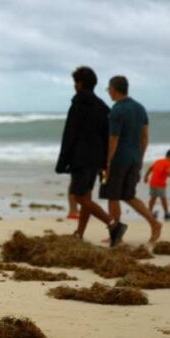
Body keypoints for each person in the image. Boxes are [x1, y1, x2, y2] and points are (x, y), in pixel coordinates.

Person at [56, 66, 127, 246]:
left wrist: (62, 163)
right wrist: (105, 163)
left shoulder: (78, 105)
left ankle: (113, 225)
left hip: (80, 159)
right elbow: (106, 137)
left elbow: (69, 135)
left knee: (79, 197)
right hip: (97, 161)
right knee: (86, 197)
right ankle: (79, 233)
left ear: (79, 84)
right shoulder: (103, 107)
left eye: (75, 82)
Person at [101, 76, 162, 242]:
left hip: (117, 160)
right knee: (128, 196)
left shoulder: (117, 110)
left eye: (109, 89)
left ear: (114, 89)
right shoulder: (140, 108)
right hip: (134, 159)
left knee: (112, 196)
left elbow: (113, 139)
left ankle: (115, 233)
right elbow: (145, 137)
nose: (108, 93)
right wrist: (140, 158)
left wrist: (106, 162)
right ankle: (154, 223)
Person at [144, 149, 170, 221]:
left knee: (153, 198)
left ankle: (149, 212)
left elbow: (150, 168)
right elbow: (168, 172)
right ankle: (167, 214)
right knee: (163, 199)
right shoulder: (168, 163)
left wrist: (146, 177)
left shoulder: (158, 161)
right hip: (160, 184)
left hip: (153, 183)